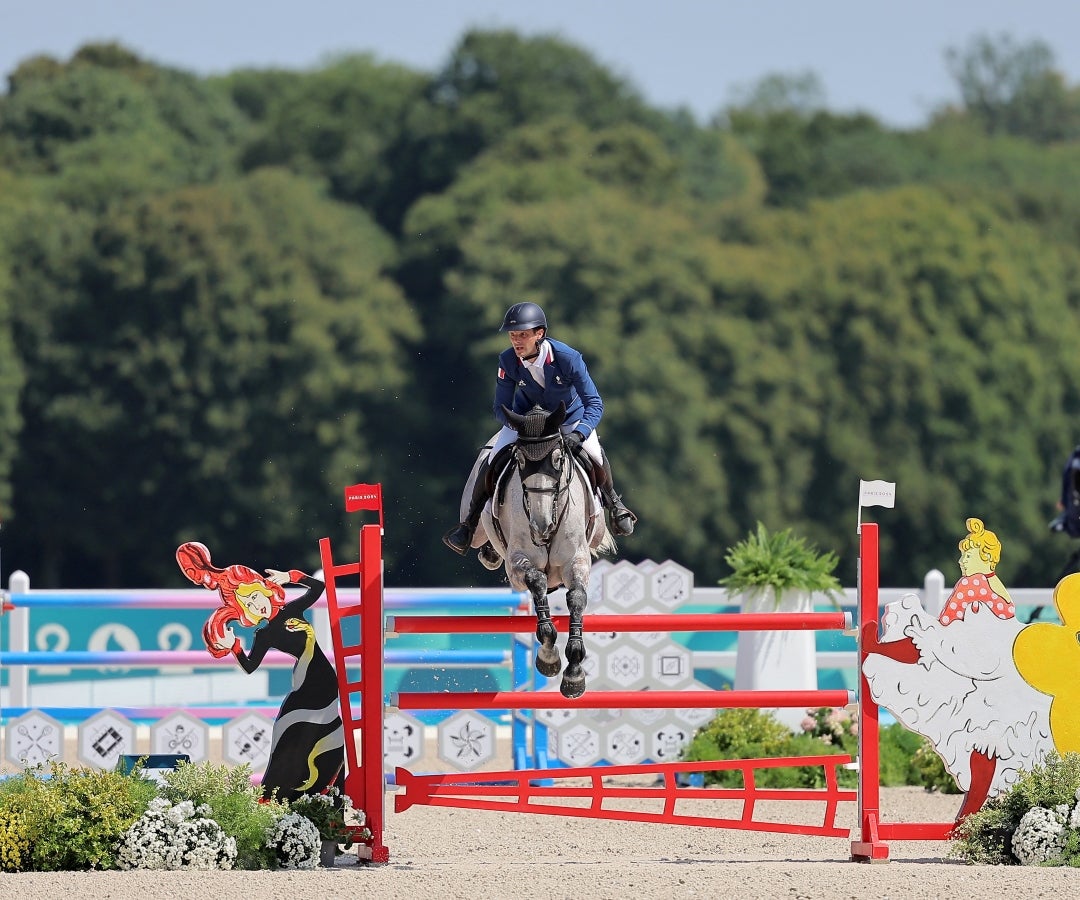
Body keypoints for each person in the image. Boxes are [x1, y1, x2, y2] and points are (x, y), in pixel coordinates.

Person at [443, 302, 636, 556]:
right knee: (492, 458)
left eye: (523, 334)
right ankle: (469, 525)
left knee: (594, 453)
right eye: (513, 335)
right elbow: (500, 407)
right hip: (525, 421)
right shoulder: (507, 360)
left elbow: (595, 403)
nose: (517, 341)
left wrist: (581, 432)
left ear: (539, 334)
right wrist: (521, 426)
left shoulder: (568, 358)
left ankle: (615, 505)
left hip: (568, 419)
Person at [176, 541, 345, 802]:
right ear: (245, 613)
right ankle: (283, 796)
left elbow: (318, 587)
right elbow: (250, 665)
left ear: (264, 589)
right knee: (287, 732)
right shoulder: (264, 634)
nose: (257, 606)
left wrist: (289, 576)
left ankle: (316, 791)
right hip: (304, 683)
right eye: (249, 606)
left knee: (309, 729)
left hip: (322, 679)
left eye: (255, 597)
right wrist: (233, 646)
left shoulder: (293, 609)